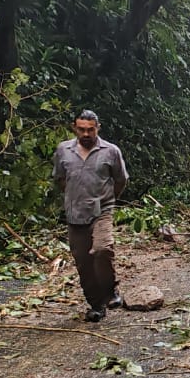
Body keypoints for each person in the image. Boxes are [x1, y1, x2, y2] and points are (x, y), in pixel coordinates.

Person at [52, 109, 129, 322]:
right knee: (83, 263)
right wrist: (75, 197)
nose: (86, 134)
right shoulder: (63, 150)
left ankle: (110, 291)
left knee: (102, 249)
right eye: (81, 129)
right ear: (74, 128)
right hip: (75, 213)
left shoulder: (111, 151)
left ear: (98, 128)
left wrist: (108, 200)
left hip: (102, 210)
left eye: (90, 130)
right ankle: (96, 305)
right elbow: (60, 179)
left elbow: (121, 180)